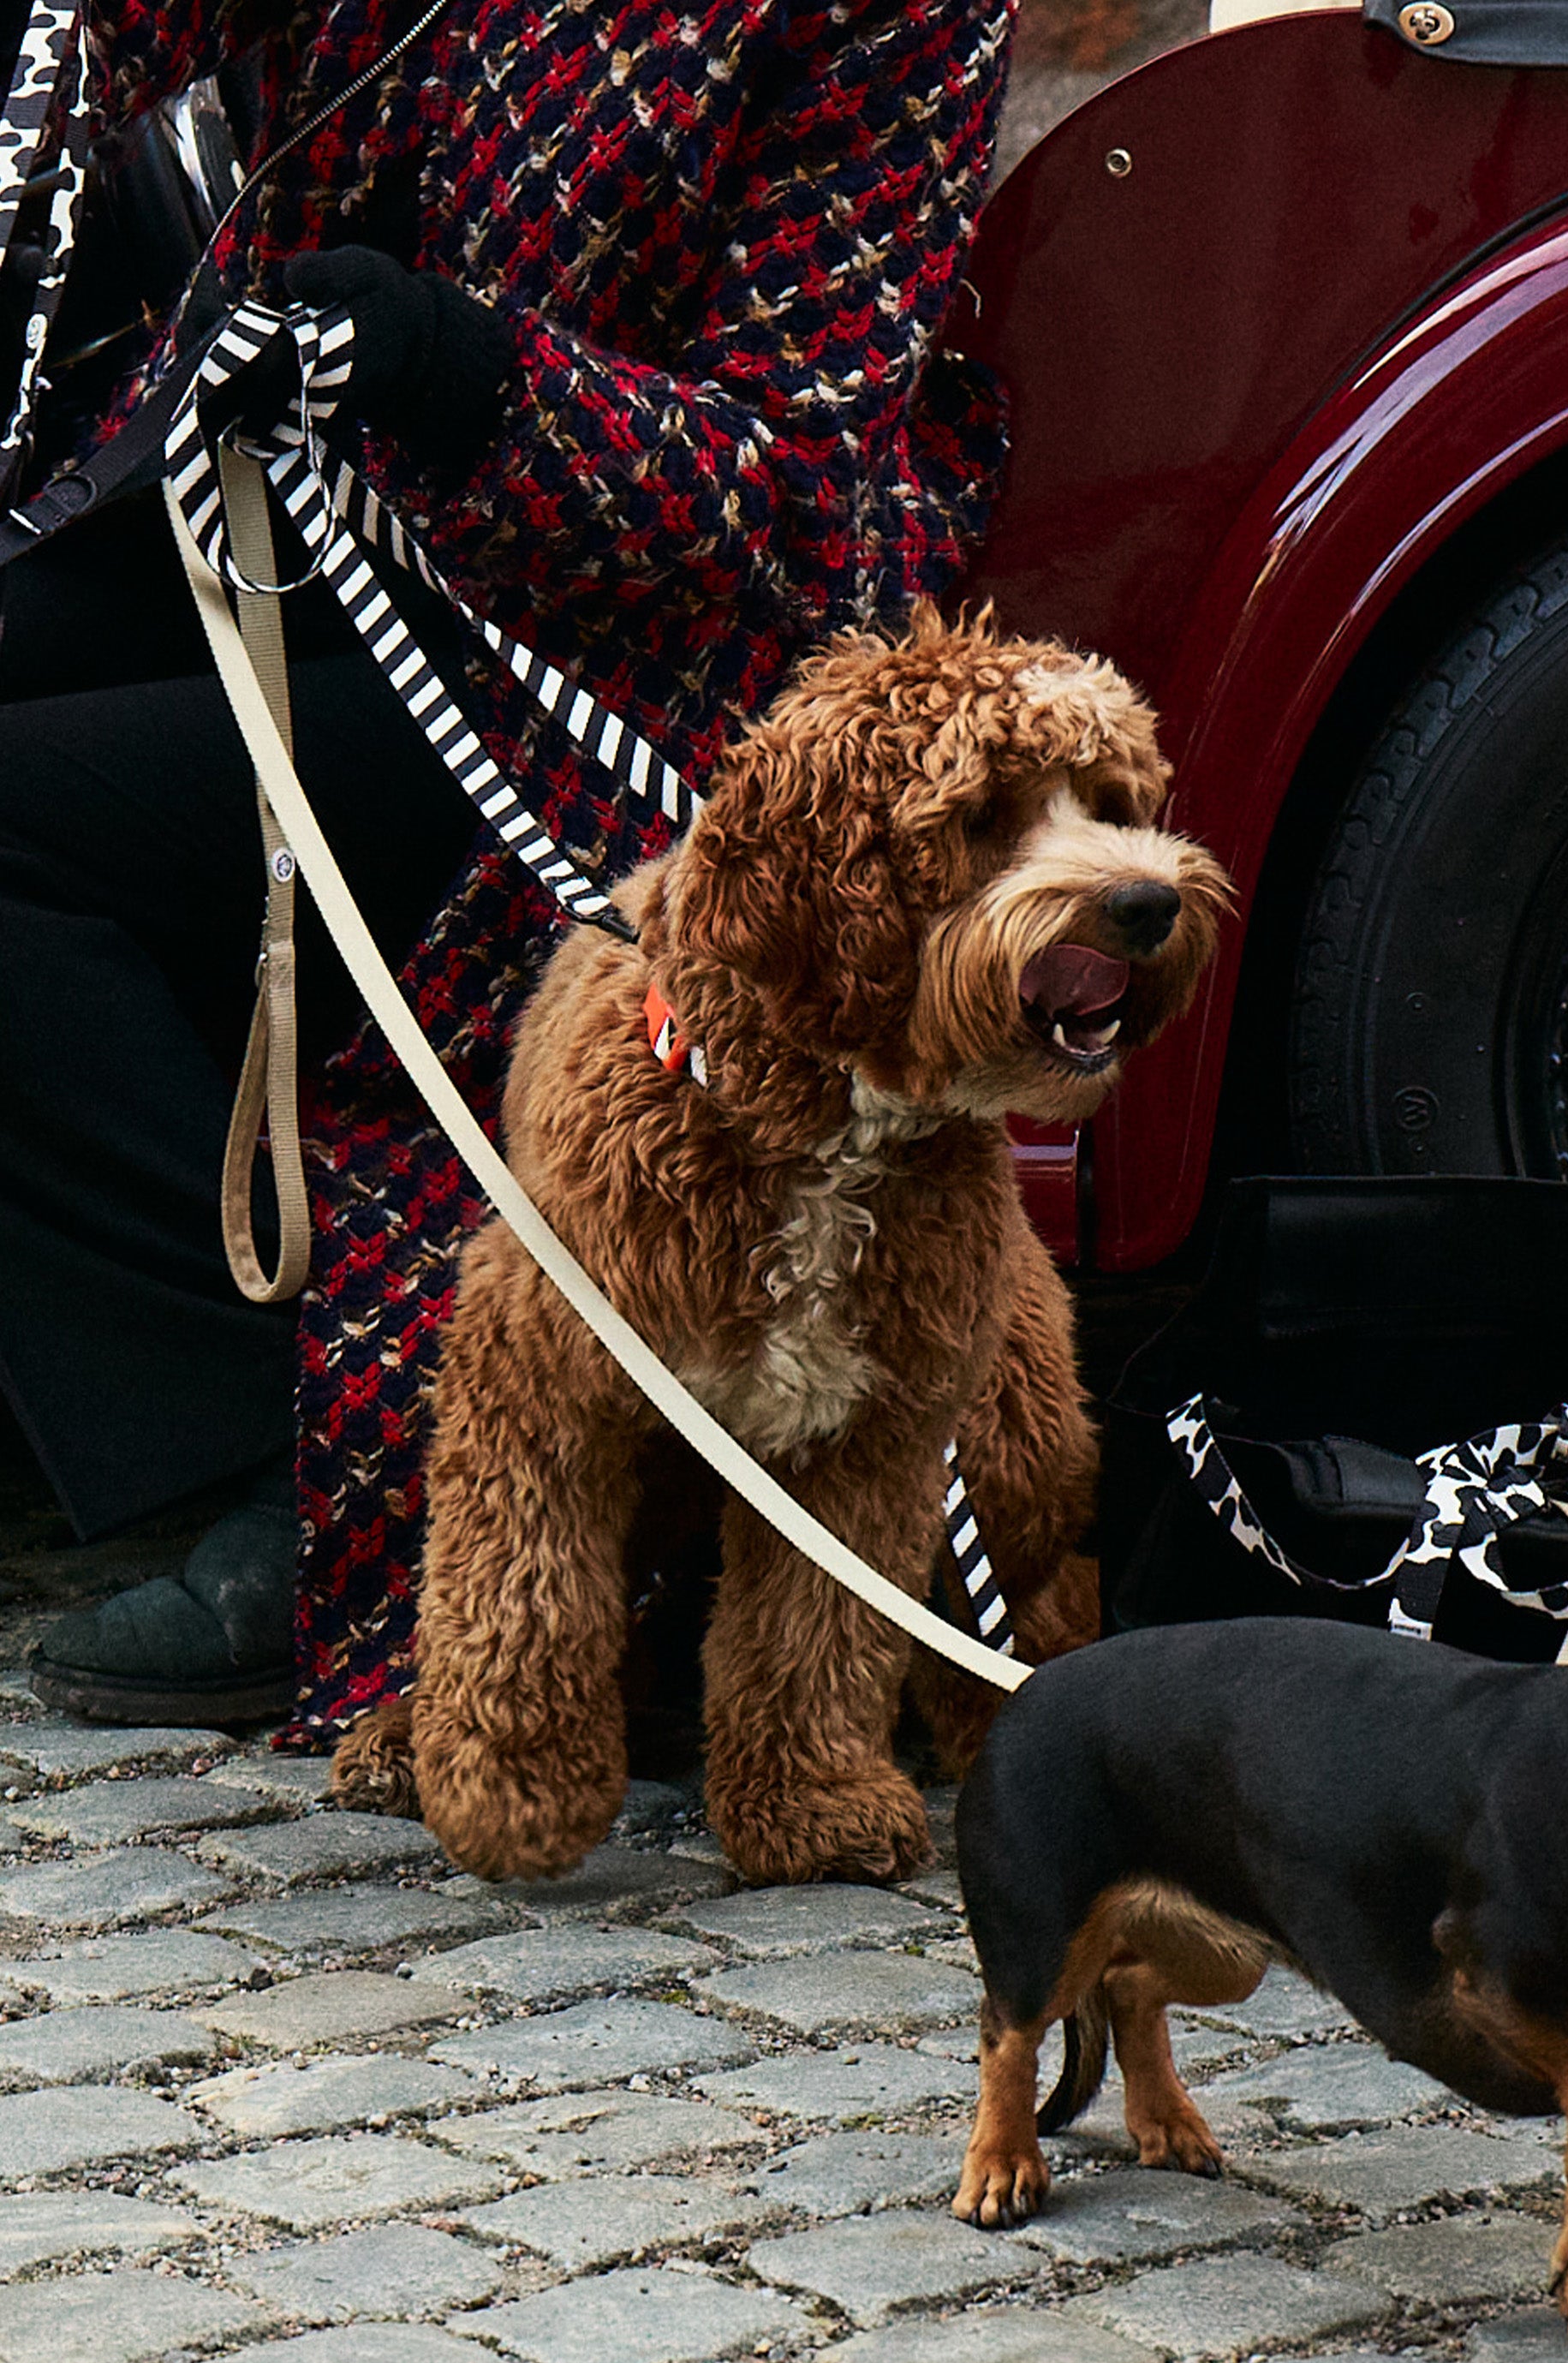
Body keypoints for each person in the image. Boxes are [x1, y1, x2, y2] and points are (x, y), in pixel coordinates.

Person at [1, 0, 1014, 1733]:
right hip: (327, 510)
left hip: (644, 667)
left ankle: (289, 1470)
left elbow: (777, 495)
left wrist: (442, 357)